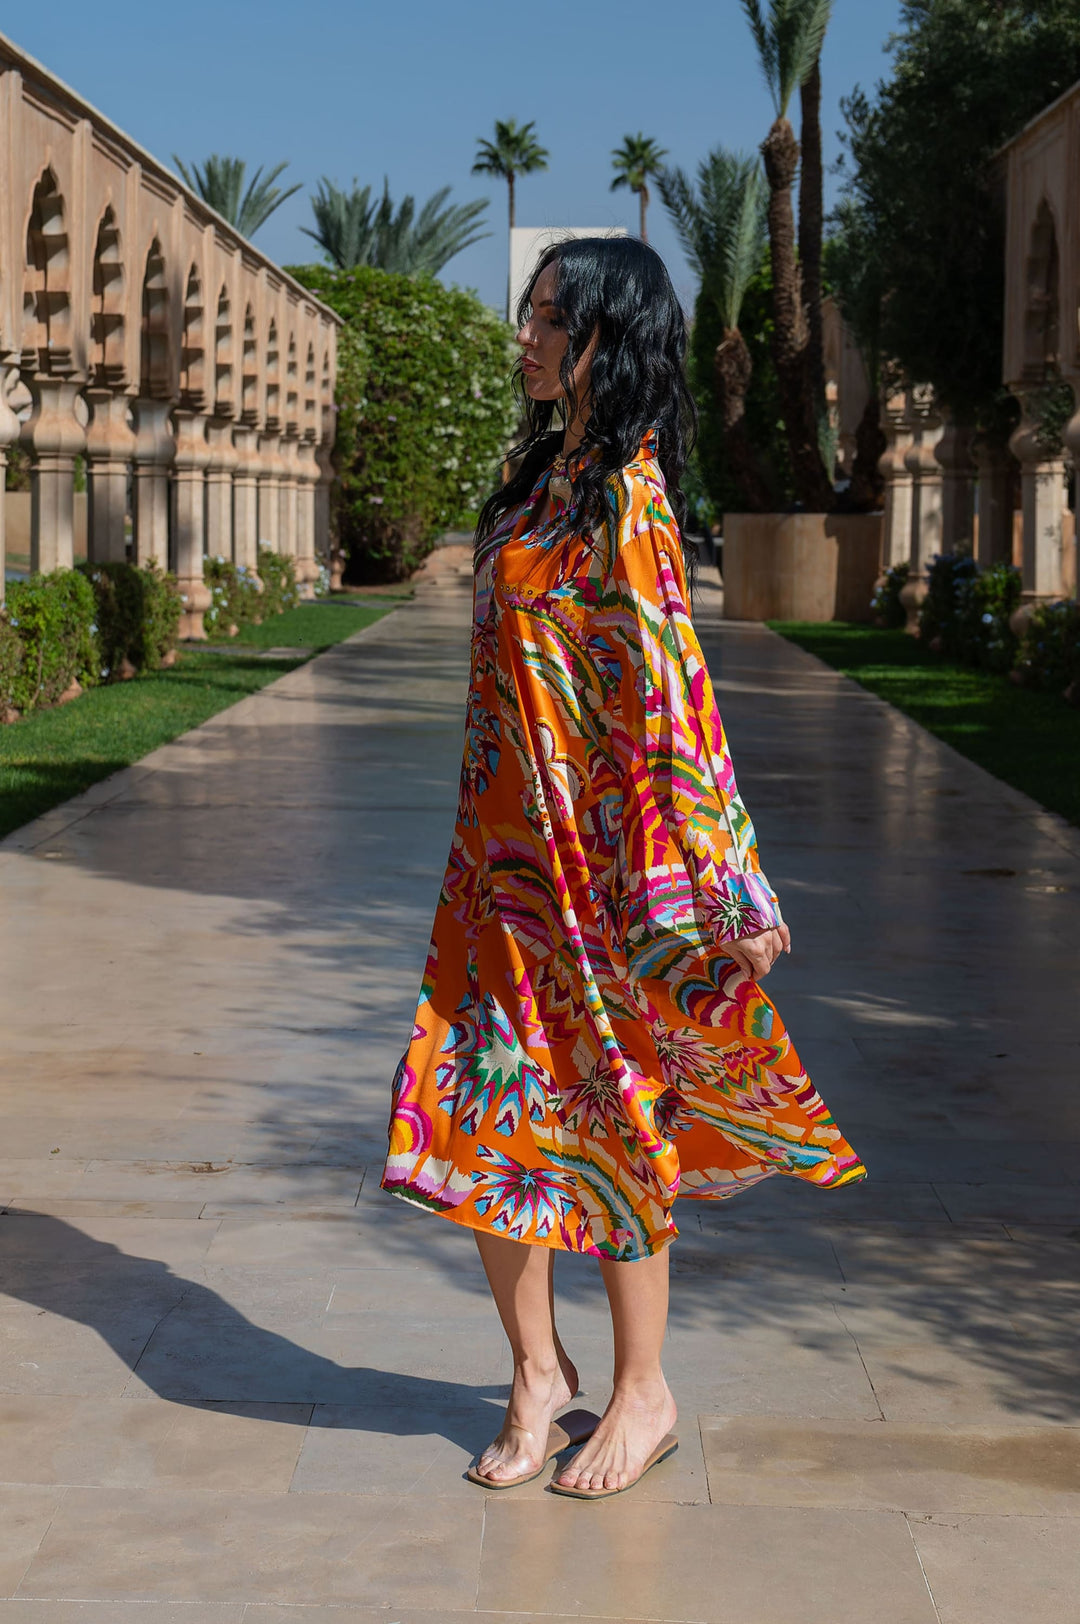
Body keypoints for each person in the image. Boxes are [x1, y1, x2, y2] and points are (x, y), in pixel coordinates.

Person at [381, 236, 865, 1499]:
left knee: (610, 1119)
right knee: (480, 1112)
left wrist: (728, 881)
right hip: (497, 871)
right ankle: (537, 1373)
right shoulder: (534, 482)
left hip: (594, 881)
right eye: (531, 313)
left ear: (613, 335)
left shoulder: (628, 499)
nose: (528, 337)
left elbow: (677, 702)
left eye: (552, 318)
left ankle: (642, 1389)